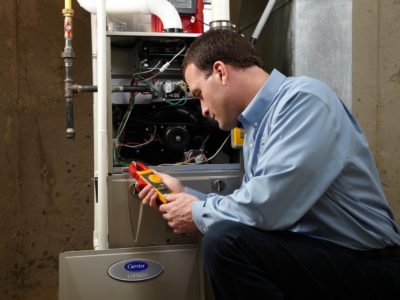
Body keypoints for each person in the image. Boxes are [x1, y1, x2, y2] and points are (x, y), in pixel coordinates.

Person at [137, 29, 400, 299]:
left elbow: (269, 206)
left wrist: (196, 212)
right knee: (230, 237)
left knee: (226, 243)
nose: (202, 109)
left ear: (220, 72)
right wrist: (183, 195)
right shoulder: (255, 127)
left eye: (200, 94)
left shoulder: (304, 99)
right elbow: (253, 210)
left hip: (372, 267)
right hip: (324, 259)